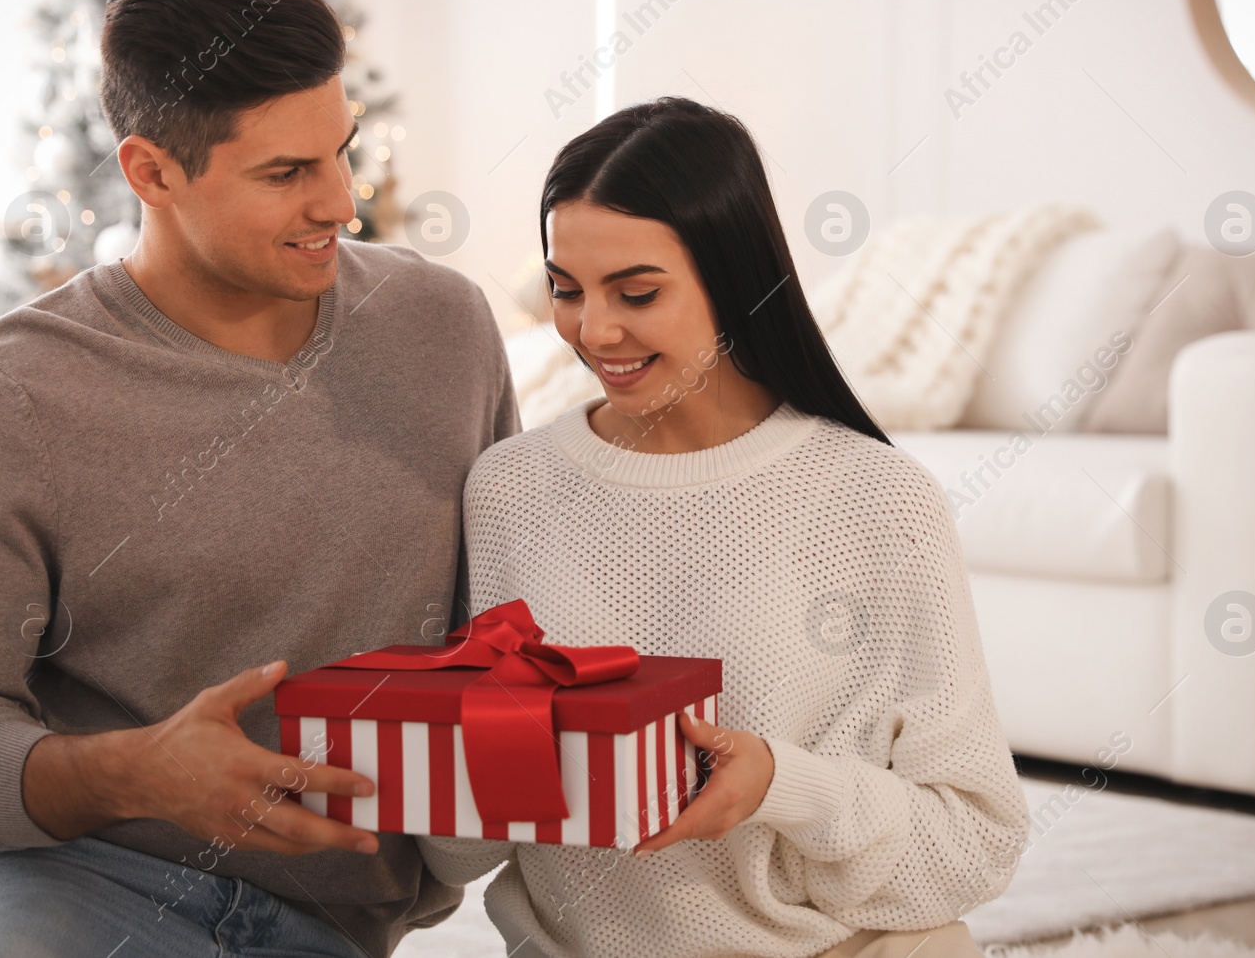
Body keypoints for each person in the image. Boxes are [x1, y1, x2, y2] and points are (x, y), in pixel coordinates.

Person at [0, 0, 517, 957]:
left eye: (340, 152)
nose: (342, 202)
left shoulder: (443, 329)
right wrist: (137, 773)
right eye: (287, 174)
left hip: (336, 919)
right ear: (150, 172)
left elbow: (508, 634)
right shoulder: (11, 394)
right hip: (79, 877)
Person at [418, 98, 1027, 958]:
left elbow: (975, 842)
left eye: (637, 292)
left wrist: (783, 784)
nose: (593, 331)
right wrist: (472, 765)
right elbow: (456, 852)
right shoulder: (510, 487)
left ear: (735, 279)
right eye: (566, 290)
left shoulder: (879, 500)